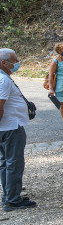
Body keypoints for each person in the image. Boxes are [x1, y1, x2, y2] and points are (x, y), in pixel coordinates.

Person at [0, 49, 35, 212]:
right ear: (4, 63)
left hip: (6, 127)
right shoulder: (3, 80)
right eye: (14, 60)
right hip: (10, 127)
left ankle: (9, 194)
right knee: (14, 162)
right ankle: (13, 199)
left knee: (5, 162)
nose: (17, 63)